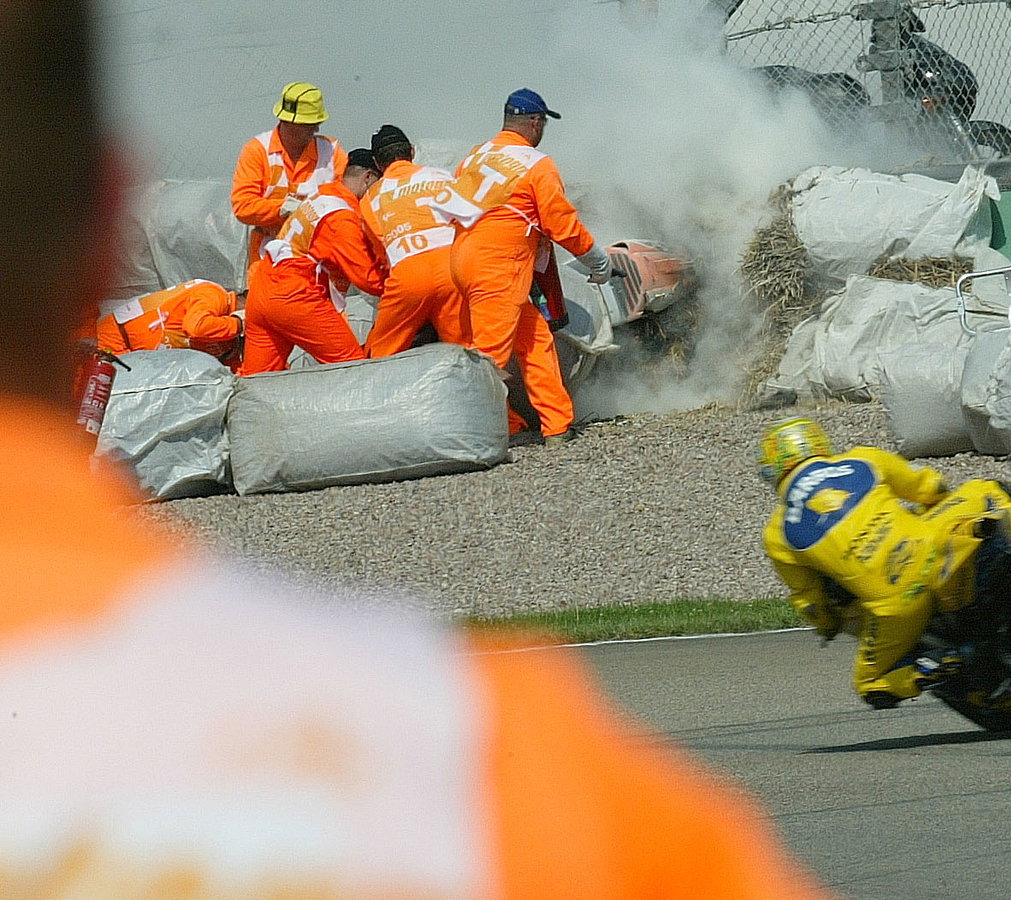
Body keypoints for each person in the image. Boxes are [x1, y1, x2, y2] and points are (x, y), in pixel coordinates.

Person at [1, 4, 837, 897]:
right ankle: (522, 428)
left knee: (364, 363)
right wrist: (577, 272)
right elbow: (537, 234)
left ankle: (454, 422)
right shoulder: (476, 752)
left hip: (379, 279)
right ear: (106, 215)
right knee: (461, 359)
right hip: (458, 269)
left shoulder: (436, 173)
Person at [759, 417, 1011, 709]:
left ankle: (933, 665)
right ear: (818, 442)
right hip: (933, 549)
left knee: (869, 684)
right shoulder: (863, 458)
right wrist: (937, 509)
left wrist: (828, 625)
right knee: (988, 490)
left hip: (897, 604)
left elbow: (809, 601)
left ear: (773, 469)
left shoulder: (776, 534)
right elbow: (931, 487)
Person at [434, 89, 611, 446]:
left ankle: (557, 426)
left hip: (462, 257)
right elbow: (562, 224)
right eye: (543, 123)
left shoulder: (477, 154)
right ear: (535, 122)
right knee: (490, 358)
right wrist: (599, 260)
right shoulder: (537, 164)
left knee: (535, 339)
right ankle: (469, 440)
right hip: (499, 266)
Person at [238, 149, 387, 376]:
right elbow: (368, 279)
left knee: (255, 380)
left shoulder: (321, 195)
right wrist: (403, 285)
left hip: (262, 292)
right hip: (295, 296)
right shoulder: (341, 217)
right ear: (368, 177)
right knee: (353, 369)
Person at [360, 124, 473, 357]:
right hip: (453, 269)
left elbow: (381, 253)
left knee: (379, 354)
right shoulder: (441, 176)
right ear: (411, 151)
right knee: (467, 353)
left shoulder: (370, 199)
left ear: (377, 164)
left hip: (408, 274)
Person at [231, 82, 348, 282]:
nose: (316, 128)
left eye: (317, 122)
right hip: (268, 259)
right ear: (288, 122)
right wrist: (283, 209)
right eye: (309, 123)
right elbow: (243, 206)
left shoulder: (332, 152)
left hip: (319, 262)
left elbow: (347, 203)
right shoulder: (258, 150)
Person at [96, 278, 244, 368]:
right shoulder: (213, 294)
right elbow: (197, 327)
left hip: (138, 364)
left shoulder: (231, 342)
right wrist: (240, 324)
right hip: (114, 341)